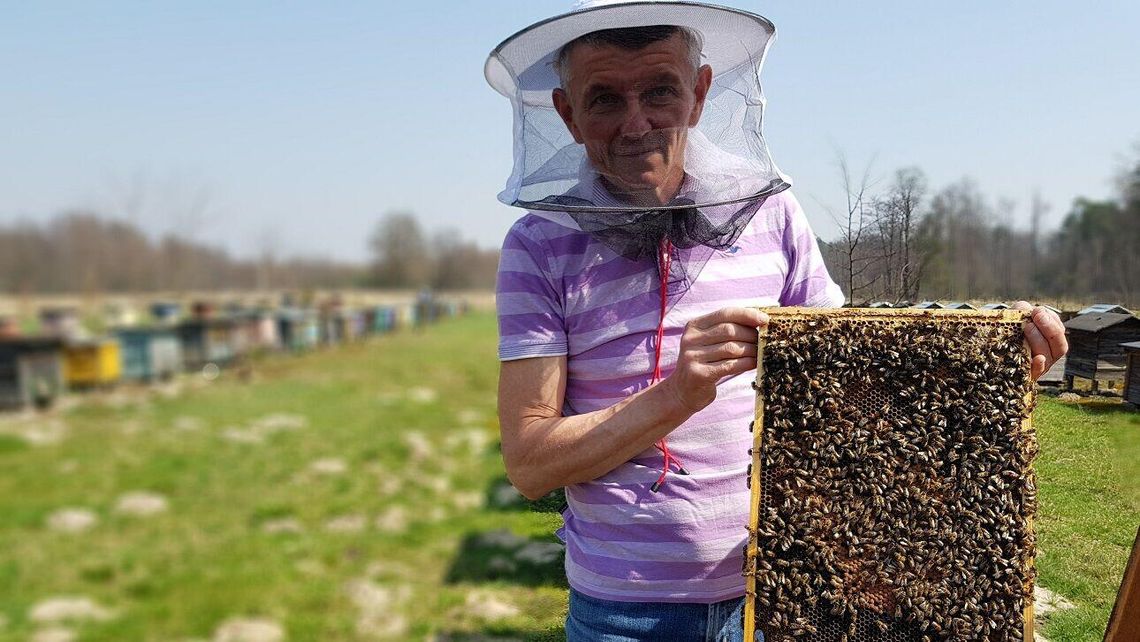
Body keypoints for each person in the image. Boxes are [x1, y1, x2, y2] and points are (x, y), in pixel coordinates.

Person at [485, 2, 1068, 640]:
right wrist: (678, 394)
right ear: (567, 113)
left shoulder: (772, 214)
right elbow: (531, 464)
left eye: (660, 90)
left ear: (700, 93)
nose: (637, 122)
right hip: (624, 613)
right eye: (603, 100)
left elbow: (854, 380)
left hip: (781, 594)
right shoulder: (536, 247)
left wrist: (989, 366)